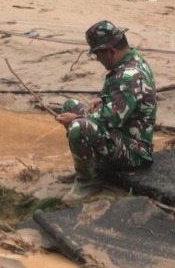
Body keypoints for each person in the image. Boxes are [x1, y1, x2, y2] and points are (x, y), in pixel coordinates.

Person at [54, 21, 156, 202]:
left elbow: (109, 120)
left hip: (134, 152)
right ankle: (86, 168)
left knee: (80, 126)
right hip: (120, 136)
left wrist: (76, 119)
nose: (97, 59)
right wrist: (103, 100)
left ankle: (88, 182)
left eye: (98, 54)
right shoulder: (132, 62)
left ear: (111, 51)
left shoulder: (128, 76)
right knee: (71, 105)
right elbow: (124, 103)